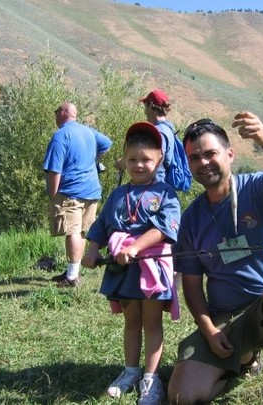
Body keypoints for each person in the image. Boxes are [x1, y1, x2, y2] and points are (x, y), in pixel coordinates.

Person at [168, 112, 263, 404]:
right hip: (225, 321)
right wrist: (209, 330)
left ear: (230, 154)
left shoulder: (261, 186)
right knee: (181, 396)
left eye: (210, 153)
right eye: (194, 158)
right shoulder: (190, 219)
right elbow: (192, 285)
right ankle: (244, 358)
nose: (203, 162)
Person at [83, 121, 180, 405]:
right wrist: (92, 250)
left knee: (152, 323)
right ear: (124, 160)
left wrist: (135, 247)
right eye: (132, 159)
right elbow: (101, 225)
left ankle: (151, 379)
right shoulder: (117, 194)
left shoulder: (166, 193)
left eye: (146, 159)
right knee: (131, 323)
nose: (139, 165)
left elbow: (164, 228)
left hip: (152, 270)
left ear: (159, 159)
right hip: (123, 270)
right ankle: (130, 372)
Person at [43, 102, 112, 287]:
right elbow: (107, 143)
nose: (55, 115)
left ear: (63, 113)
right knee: (80, 231)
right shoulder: (88, 132)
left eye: (56, 111)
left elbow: (54, 169)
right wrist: (94, 157)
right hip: (92, 190)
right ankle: (72, 271)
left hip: (70, 191)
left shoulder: (60, 136)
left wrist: (53, 194)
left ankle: (72, 277)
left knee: (72, 231)